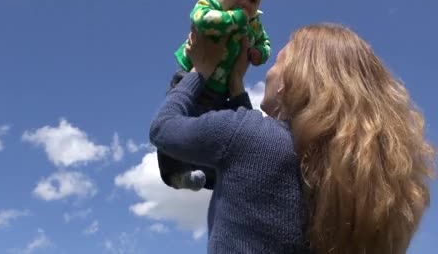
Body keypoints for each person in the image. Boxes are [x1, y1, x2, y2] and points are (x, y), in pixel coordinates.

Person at [149, 23, 434, 253]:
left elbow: (164, 128)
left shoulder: (251, 139)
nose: (269, 71)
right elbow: (255, 161)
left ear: (291, 81)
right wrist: (236, 87)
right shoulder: (338, 173)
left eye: (278, 62)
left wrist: (199, 70)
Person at [157, 0, 271, 191]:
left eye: (252, 0)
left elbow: (264, 41)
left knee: (218, 133)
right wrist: (235, 20)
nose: (244, 3)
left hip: (222, 91)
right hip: (192, 78)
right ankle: (175, 173)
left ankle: (211, 177)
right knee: (178, 121)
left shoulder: (254, 23)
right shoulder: (210, 3)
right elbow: (202, 20)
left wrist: (259, 52)